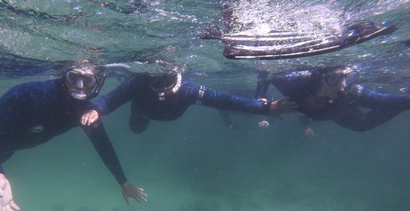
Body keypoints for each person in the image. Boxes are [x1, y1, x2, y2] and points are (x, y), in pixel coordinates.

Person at [0, 61, 147, 211]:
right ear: (64, 75)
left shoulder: (84, 111)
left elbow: (102, 144)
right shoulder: (29, 93)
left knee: (3, 152)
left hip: (9, 147)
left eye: (88, 80)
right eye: (73, 77)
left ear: (97, 84)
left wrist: (123, 181)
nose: (79, 86)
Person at [80, 67, 296, 132]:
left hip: (167, 115)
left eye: (168, 79)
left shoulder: (189, 89)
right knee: (136, 130)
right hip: (143, 113)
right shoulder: (138, 83)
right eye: (157, 80)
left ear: (177, 76)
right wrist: (96, 109)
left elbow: (223, 100)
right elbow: (110, 100)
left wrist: (263, 108)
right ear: (148, 78)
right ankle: (138, 112)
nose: (163, 86)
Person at [255, 65, 410, 138]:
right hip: (331, 113)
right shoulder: (297, 82)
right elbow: (266, 76)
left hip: (337, 111)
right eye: (335, 78)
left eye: (348, 78)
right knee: (360, 125)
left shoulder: (352, 92)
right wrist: (261, 98)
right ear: (321, 80)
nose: (343, 85)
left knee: (363, 124)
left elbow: (390, 101)